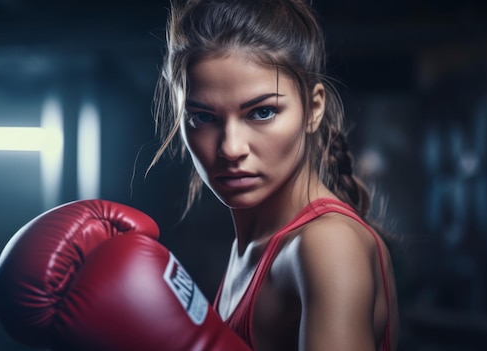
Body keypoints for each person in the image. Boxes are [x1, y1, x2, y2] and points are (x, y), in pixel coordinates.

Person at [148, 0, 400, 350]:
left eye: (262, 112)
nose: (231, 148)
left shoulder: (326, 245)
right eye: (203, 117)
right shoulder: (254, 246)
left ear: (313, 109)